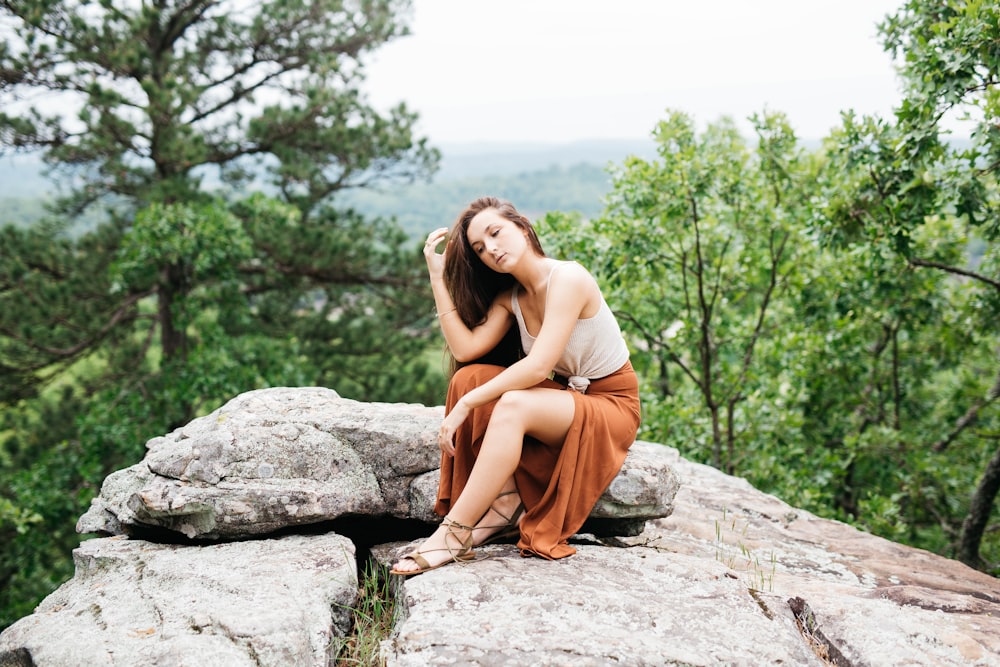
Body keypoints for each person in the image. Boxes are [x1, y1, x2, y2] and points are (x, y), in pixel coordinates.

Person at [390, 196, 641, 576]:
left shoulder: (568, 277)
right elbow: (466, 349)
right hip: (567, 401)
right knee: (467, 376)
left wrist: (467, 406)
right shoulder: (512, 299)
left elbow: (539, 364)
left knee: (509, 404)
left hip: (612, 406)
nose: (491, 249)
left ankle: (454, 534)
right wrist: (437, 278)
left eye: (496, 233)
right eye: (480, 248)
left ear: (522, 227)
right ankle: (503, 502)